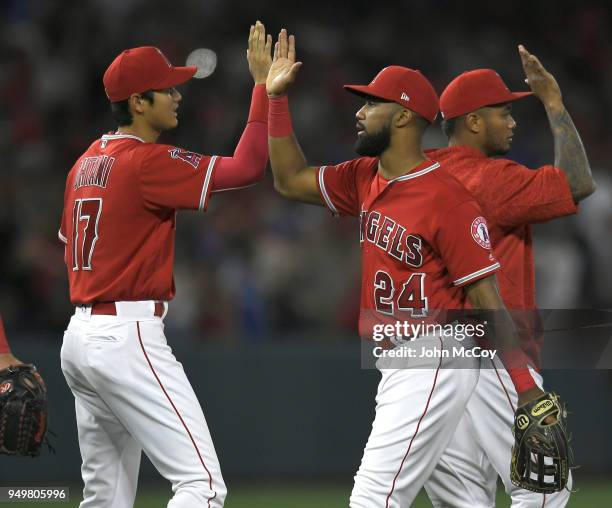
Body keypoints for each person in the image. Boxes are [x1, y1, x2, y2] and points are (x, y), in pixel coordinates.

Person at [265, 30, 542, 507]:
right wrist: (275, 100)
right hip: (398, 360)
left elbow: (487, 300)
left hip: (436, 355)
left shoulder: (448, 199)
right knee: (462, 503)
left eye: (369, 103)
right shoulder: (365, 178)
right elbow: (289, 180)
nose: (358, 111)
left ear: (402, 116)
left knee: (373, 497)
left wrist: (525, 391)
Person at [57, 22, 272, 508]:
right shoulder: (144, 161)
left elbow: (69, 242)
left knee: (105, 496)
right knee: (202, 486)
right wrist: (262, 90)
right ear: (138, 102)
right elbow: (249, 166)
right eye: (166, 89)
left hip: (79, 337)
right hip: (126, 336)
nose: (178, 95)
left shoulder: (83, 163)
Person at [423, 46, 594, 507]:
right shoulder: (490, 179)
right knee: (546, 487)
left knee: (463, 501)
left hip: (426, 362)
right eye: (503, 112)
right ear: (473, 122)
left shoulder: (421, 173)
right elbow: (578, 182)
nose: (513, 121)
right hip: (487, 352)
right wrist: (554, 103)